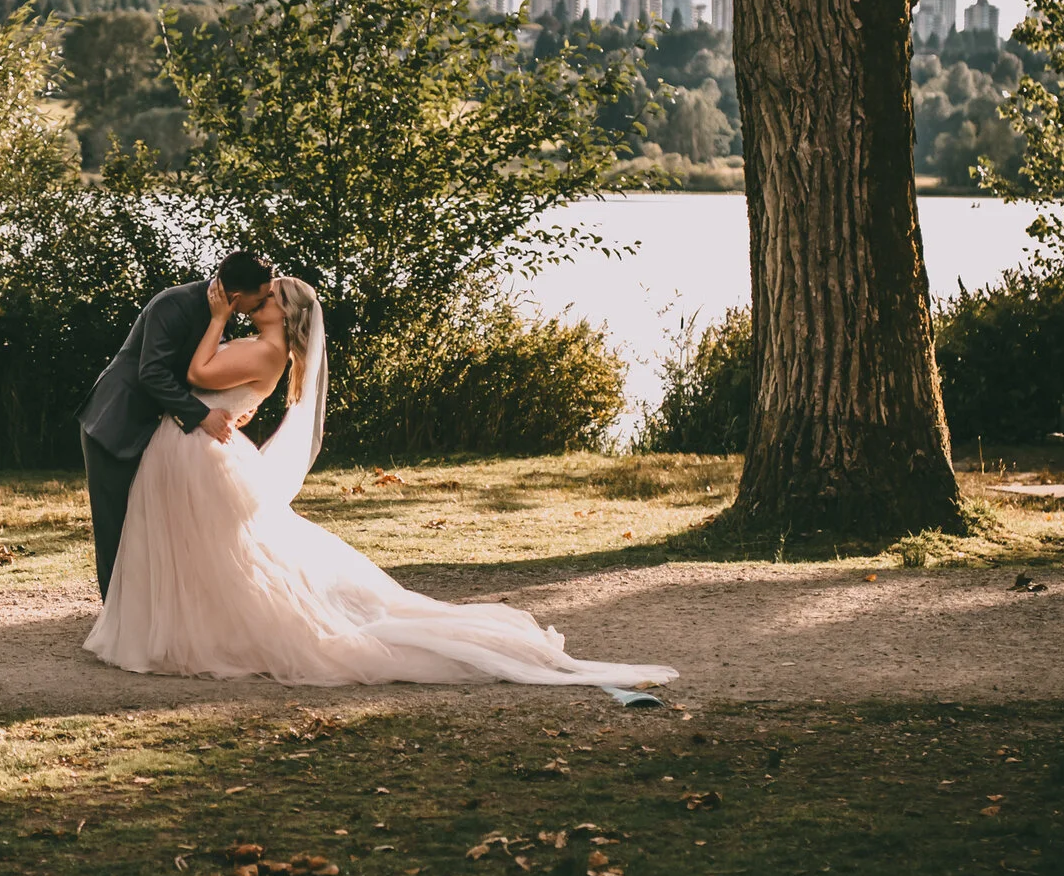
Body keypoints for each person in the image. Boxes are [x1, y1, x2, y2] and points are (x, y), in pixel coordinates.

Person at [84, 270, 678, 690]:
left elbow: (193, 372)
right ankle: (170, 626)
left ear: (281, 312)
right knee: (209, 555)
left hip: (198, 450)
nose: (262, 296)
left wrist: (214, 320)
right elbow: (206, 379)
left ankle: (185, 632)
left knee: (220, 557)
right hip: (195, 449)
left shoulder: (263, 352)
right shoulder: (263, 348)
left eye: (272, 294)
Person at [76, 251, 276, 598]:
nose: (259, 308)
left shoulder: (223, 315)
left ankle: (148, 614)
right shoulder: (173, 304)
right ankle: (115, 618)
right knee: (117, 529)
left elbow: (204, 376)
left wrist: (230, 408)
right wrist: (202, 415)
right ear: (239, 297)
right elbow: (152, 373)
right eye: (259, 300)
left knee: (153, 526)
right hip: (117, 424)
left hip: (163, 432)